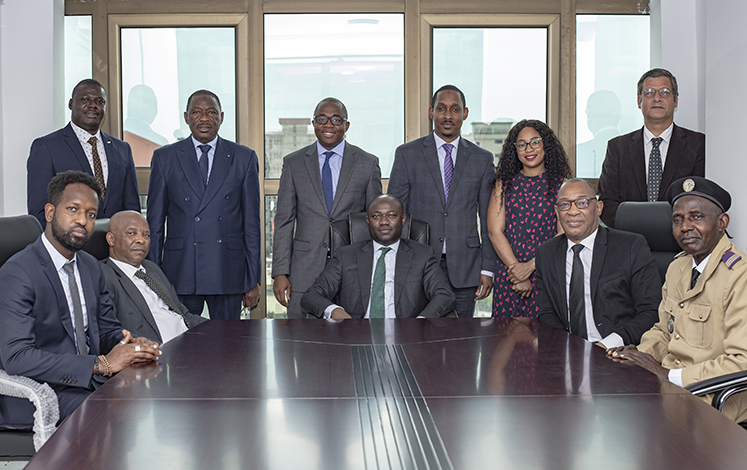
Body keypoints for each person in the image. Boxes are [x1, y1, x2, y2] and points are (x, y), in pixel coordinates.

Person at [0, 171, 160, 427]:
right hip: (42, 390)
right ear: (50, 212)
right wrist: (100, 364)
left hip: (87, 380)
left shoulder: (89, 266)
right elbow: (18, 357)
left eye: (91, 214)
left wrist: (126, 343)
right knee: (113, 415)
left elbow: (106, 330)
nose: (83, 220)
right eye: (73, 209)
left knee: (155, 391)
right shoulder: (18, 273)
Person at [609, 177, 747, 422]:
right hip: (668, 390)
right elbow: (663, 330)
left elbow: (741, 363)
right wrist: (638, 357)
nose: (685, 227)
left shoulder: (739, 276)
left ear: (722, 223)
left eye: (696, 217)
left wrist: (667, 375)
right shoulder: (678, 267)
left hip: (711, 399)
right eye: (678, 219)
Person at [146, 90, 261, 320]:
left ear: (222, 117)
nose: (205, 119)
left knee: (229, 344)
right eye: (197, 112)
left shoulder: (243, 157)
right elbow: (155, 224)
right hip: (181, 268)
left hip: (227, 268)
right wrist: (153, 277)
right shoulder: (165, 157)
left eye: (211, 112)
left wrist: (252, 278)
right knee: (180, 344)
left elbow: (251, 224)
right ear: (187, 117)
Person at [388, 84, 495, 317]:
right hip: (418, 265)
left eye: (455, 109)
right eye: (441, 109)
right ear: (431, 112)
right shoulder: (407, 154)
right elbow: (396, 214)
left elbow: (488, 219)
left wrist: (487, 268)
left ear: (465, 113)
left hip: (466, 267)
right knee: (418, 341)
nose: (448, 116)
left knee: (462, 343)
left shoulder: (482, 159)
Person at [272, 97, 381, 318]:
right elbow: (284, 221)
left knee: (351, 340)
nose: (328, 125)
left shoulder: (366, 163)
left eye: (336, 119)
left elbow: (376, 222)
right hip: (304, 269)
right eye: (322, 119)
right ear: (314, 123)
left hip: (352, 269)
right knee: (302, 344)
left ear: (346, 125)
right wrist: (280, 272)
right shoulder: (294, 163)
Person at [535, 178, 660, 348]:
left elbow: (651, 311)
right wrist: (567, 346)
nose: (573, 212)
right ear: (557, 211)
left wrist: (607, 345)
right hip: (568, 353)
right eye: (565, 205)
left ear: (598, 208)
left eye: (582, 203)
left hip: (619, 351)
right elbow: (547, 312)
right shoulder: (546, 253)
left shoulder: (631, 246)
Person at [301, 194, 456, 319]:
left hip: (406, 335)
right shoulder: (346, 255)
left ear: (403, 220)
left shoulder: (422, 255)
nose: (383, 222)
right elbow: (311, 295)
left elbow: (444, 295)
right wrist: (333, 310)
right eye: (376, 216)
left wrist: (421, 323)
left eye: (391, 215)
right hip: (355, 336)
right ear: (368, 221)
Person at [598, 68, 705, 227]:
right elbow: (608, 202)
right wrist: (641, 225)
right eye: (648, 92)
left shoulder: (698, 144)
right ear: (639, 101)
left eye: (664, 92)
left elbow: (702, 199)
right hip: (630, 241)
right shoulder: (617, 148)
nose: (657, 98)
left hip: (682, 242)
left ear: (675, 100)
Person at [27, 79, 141, 228]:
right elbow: (39, 211)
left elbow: (131, 209)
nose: (93, 105)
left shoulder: (122, 149)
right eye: (85, 99)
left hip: (114, 247)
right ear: (71, 104)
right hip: (70, 245)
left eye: (99, 101)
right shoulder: (46, 147)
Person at [487, 119, 571, 318]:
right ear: (514, 150)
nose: (528, 149)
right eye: (521, 144)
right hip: (509, 273)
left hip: (546, 271)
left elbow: (563, 234)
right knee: (504, 339)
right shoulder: (503, 185)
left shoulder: (563, 186)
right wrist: (517, 272)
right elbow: (494, 231)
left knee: (547, 341)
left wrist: (531, 266)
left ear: (545, 145)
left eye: (535, 142)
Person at [100, 211, 207, 343]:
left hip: (191, 340)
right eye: (131, 233)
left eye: (146, 235)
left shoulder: (151, 268)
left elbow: (184, 315)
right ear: (111, 239)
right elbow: (108, 332)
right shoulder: (103, 274)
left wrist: (222, 329)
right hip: (160, 352)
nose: (141, 240)